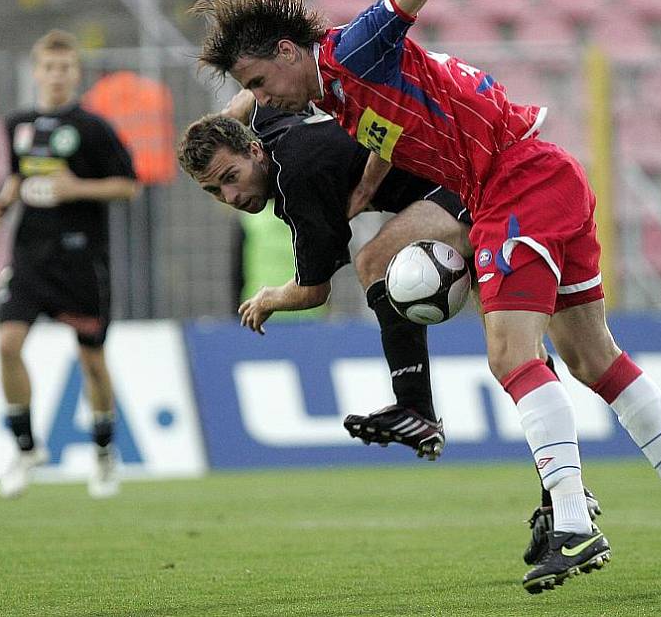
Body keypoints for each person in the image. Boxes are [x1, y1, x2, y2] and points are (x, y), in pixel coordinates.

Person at [189, 0, 661, 594]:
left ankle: (572, 519)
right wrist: (339, 171)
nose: (264, 98)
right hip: (539, 175)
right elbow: (385, 118)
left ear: (286, 51)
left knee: (511, 356)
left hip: (515, 185)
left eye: (261, 82)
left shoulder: (350, 50)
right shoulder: (328, 91)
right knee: (590, 357)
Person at [177, 93, 602, 565]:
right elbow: (251, 96)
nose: (231, 197)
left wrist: (268, 298)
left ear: (253, 152)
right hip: (467, 176)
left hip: (467, 182)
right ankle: (563, 498)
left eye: (231, 179)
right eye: (215, 192)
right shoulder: (267, 129)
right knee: (518, 353)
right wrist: (216, 125)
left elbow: (314, 290)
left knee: (375, 260)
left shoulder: (295, 175)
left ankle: (417, 409)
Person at [0, 30, 139, 499]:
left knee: (91, 359)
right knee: (8, 344)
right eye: (49, 68)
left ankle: (104, 453)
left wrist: (78, 189)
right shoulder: (19, 124)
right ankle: (28, 448)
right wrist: (1, 206)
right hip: (30, 256)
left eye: (65, 68)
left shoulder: (93, 128)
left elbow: (128, 186)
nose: (56, 76)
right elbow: (19, 175)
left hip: (81, 260)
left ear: (75, 73)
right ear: (37, 72)